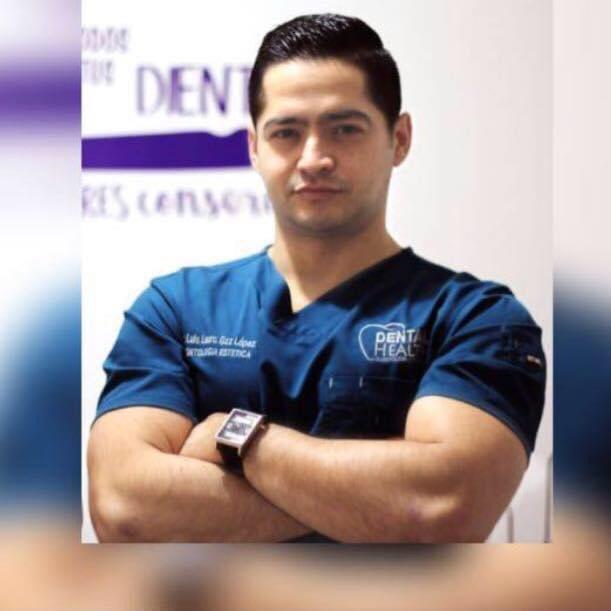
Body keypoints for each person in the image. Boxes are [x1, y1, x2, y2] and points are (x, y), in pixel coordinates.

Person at [87, 13, 546, 543]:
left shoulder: (474, 318)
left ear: (399, 138)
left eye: (344, 129)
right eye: (286, 132)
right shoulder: (176, 309)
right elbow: (123, 507)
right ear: (254, 147)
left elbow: (444, 506)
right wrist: (373, 505)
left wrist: (236, 438)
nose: (314, 158)